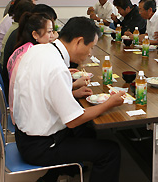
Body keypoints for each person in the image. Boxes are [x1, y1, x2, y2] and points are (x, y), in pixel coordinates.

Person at [14, 17, 124, 182]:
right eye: (90, 47)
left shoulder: (39, 49)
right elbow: (74, 120)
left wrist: (70, 93)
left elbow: (42, 91)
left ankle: (52, 177)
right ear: (79, 41)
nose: (90, 54)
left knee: (86, 132)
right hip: (41, 146)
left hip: (24, 135)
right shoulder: (57, 67)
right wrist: (109, 103)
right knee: (111, 151)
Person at [7, 12, 56, 124]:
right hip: (26, 118)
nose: (52, 36)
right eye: (49, 32)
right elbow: (44, 91)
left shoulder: (23, 48)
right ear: (35, 35)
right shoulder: (32, 56)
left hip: (18, 108)